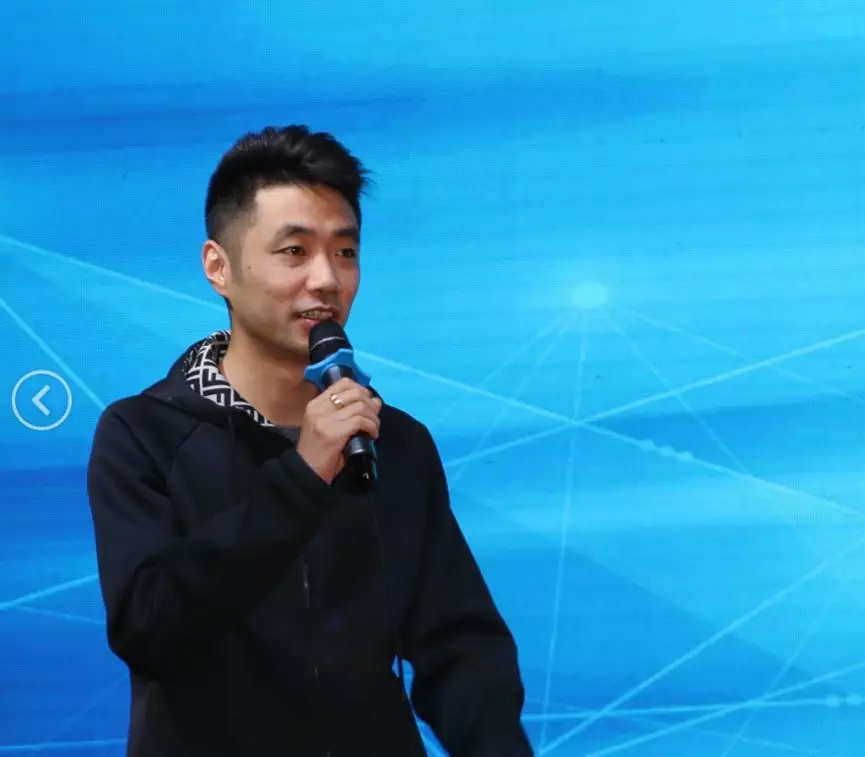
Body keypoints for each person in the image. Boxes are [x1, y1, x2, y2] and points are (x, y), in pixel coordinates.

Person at [85, 125, 533, 757]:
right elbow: (151, 631)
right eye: (294, 251)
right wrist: (302, 477)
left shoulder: (393, 441)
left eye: (345, 252)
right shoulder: (143, 434)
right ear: (218, 267)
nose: (326, 279)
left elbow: (457, 645)